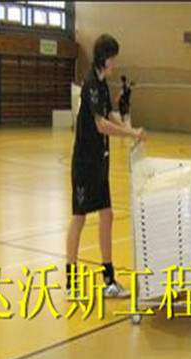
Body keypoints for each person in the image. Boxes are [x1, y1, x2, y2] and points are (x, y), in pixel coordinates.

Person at [66, 34, 145, 298]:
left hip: (100, 161)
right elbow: (101, 125)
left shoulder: (102, 85)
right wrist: (131, 134)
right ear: (104, 58)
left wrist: (131, 130)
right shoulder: (90, 83)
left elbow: (110, 113)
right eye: (113, 58)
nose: (115, 63)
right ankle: (71, 284)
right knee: (79, 218)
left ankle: (109, 280)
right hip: (85, 163)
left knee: (107, 215)